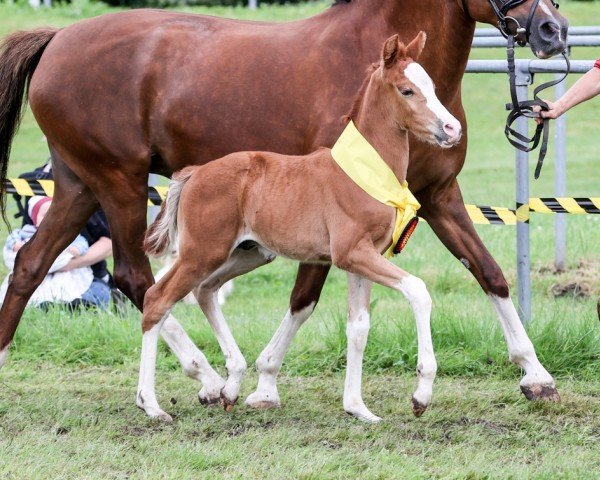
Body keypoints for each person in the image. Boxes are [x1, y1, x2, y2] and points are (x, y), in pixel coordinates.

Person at [1, 196, 96, 309]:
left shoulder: (64, 233)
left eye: (55, 215)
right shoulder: (28, 231)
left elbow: (81, 241)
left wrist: (77, 249)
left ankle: (65, 302)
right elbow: (13, 236)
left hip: (61, 268)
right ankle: (37, 303)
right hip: (32, 269)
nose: (50, 219)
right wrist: (16, 244)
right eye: (44, 215)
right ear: (35, 218)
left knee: (62, 283)